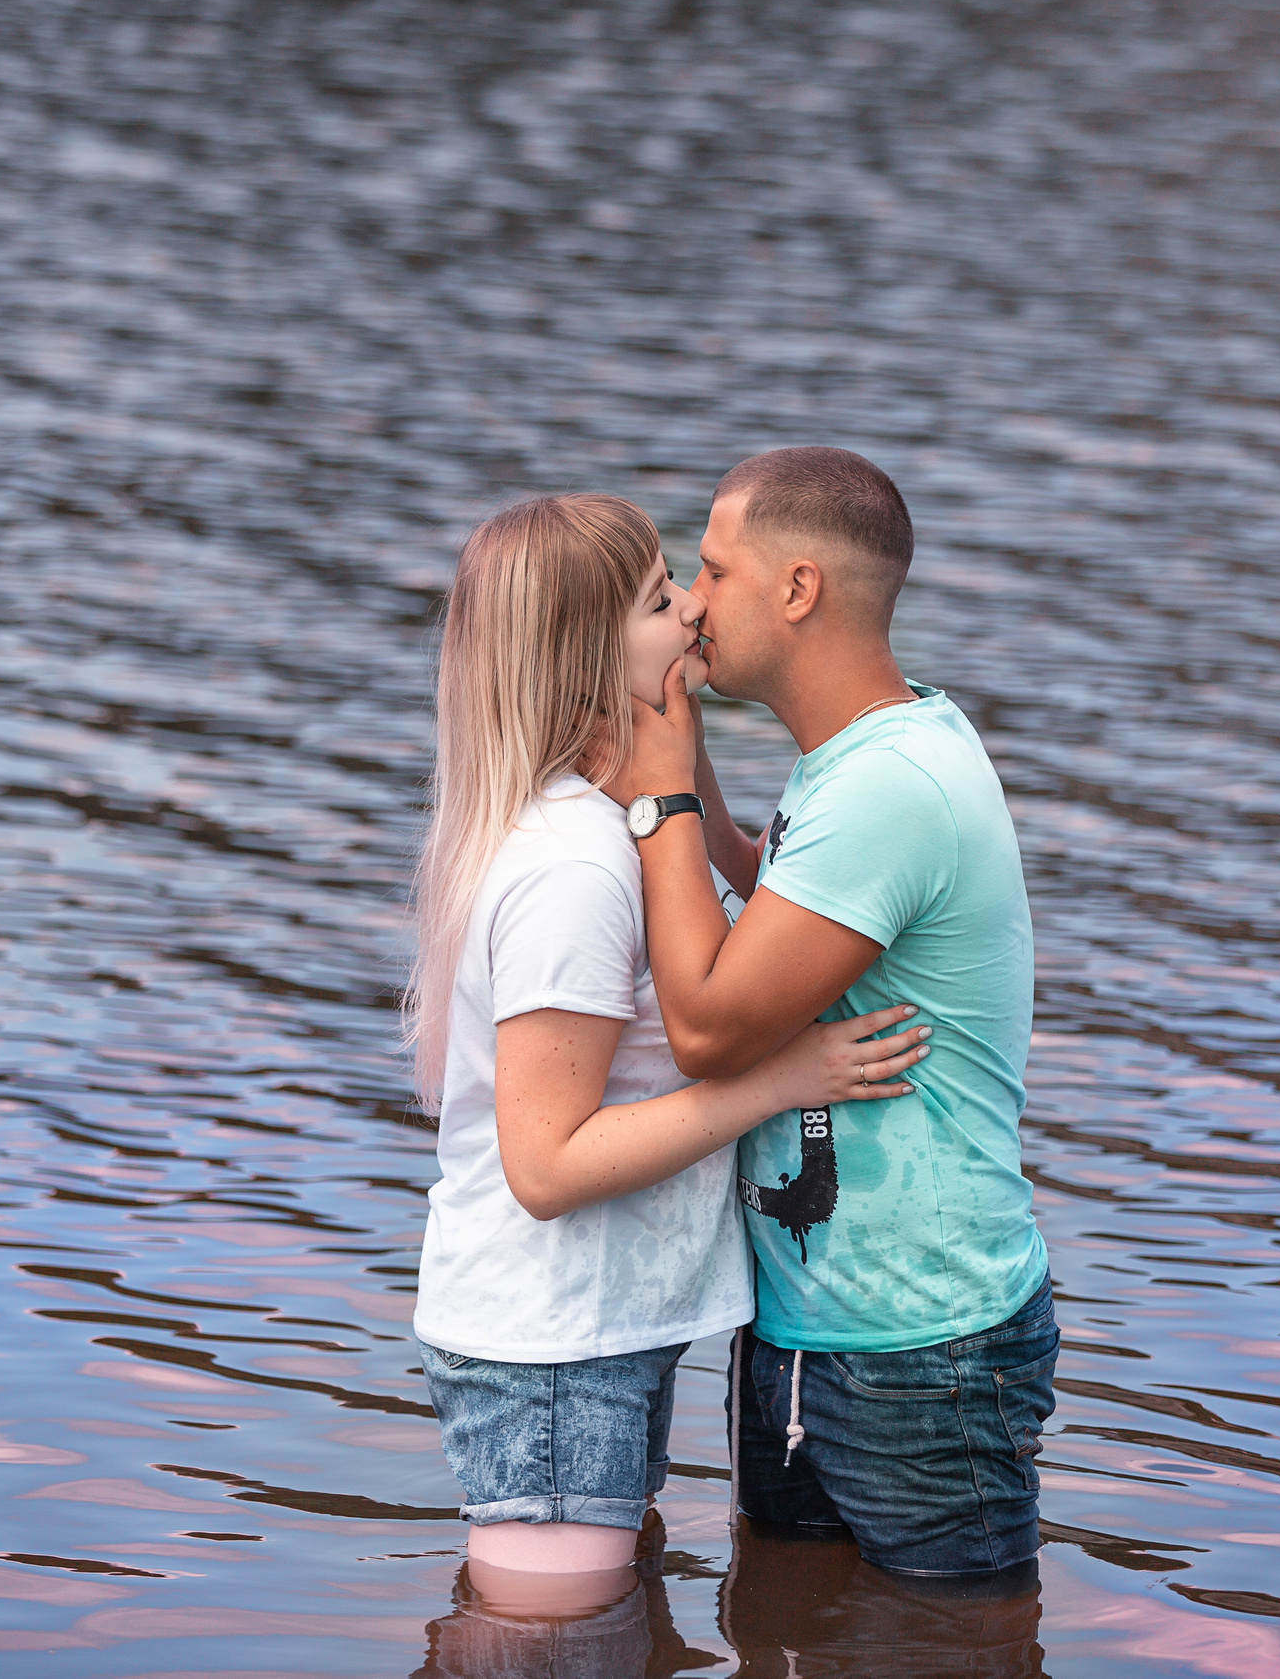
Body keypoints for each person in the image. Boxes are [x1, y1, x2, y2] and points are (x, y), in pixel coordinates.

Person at [404, 491, 933, 1613]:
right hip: (549, 1350)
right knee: (552, 1651)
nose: (694, 609)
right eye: (659, 599)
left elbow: (728, 894)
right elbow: (544, 1168)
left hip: (593, 1334)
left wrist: (680, 769)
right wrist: (776, 1086)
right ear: (588, 658)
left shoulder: (618, 831)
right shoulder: (575, 869)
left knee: (583, 1636)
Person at [607, 447, 1058, 1583]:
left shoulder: (884, 790)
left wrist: (658, 799)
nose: (692, 603)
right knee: (784, 1631)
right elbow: (780, 895)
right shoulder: (858, 756)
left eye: (711, 572)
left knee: (953, 1655)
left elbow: (708, 1032)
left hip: (921, 1350)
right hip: (820, 1326)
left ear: (798, 589)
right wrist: (692, 766)